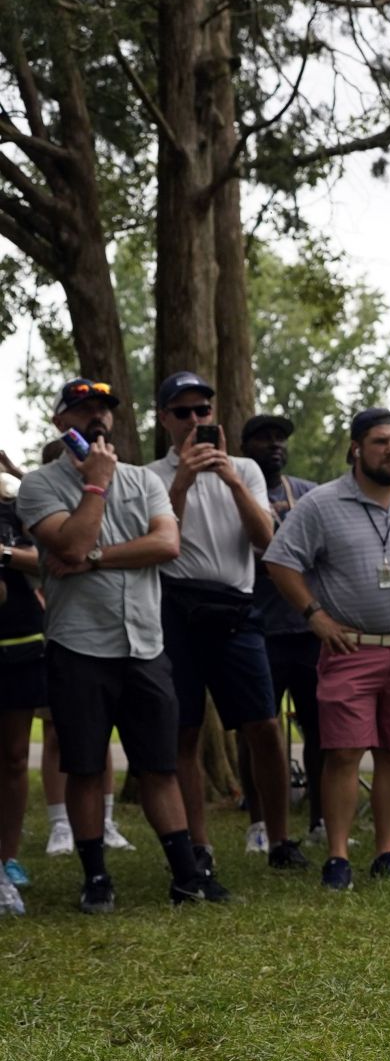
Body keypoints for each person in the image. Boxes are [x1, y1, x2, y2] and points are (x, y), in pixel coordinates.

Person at [17, 377, 235, 911]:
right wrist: (94, 486)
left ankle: (185, 874)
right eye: (83, 409)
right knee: (87, 767)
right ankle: (96, 878)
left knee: (159, 766)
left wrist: (91, 561)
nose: (96, 417)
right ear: (60, 422)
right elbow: (69, 540)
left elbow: (166, 543)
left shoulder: (144, 481)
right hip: (79, 645)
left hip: (144, 644)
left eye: (104, 410)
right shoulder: (38, 486)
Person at [263, 408, 390, 890]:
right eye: (381, 442)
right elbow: (280, 561)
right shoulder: (321, 504)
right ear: (357, 448)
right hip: (350, 649)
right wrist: (314, 615)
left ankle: (387, 851)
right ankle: (337, 857)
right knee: (343, 753)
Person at [148, 371, 302, 871]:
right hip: (176, 608)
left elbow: (266, 540)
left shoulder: (246, 470)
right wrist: (185, 479)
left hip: (237, 606)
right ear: (165, 419)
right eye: (184, 412)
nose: (195, 420)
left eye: (203, 411)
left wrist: (231, 479)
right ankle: (199, 844)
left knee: (264, 725)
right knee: (185, 731)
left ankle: (278, 840)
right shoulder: (151, 476)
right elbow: (157, 537)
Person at [239, 414, 326, 840]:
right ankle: (258, 821)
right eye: (263, 438)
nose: (274, 445)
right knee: (257, 727)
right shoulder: (234, 490)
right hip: (256, 629)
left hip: (308, 631)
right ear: (244, 447)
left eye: (280, 438)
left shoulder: (308, 494)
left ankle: (319, 819)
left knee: (318, 728)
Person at [1, 464, 46, 912]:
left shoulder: (15, 507)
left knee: (15, 757)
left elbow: (47, 558)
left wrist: (2, 554)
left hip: (19, 642)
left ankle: (7, 858)